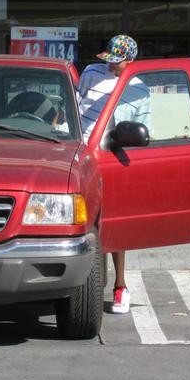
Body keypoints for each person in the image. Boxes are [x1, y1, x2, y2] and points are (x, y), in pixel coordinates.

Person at [77, 34, 150, 315]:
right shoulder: (91, 72)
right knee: (84, 222)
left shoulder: (140, 90)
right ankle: (81, 284)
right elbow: (77, 103)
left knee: (114, 223)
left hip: (112, 157)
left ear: (130, 61)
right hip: (82, 154)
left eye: (116, 63)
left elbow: (143, 131)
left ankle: (120, 285)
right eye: (108, 59)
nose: (110, 66)